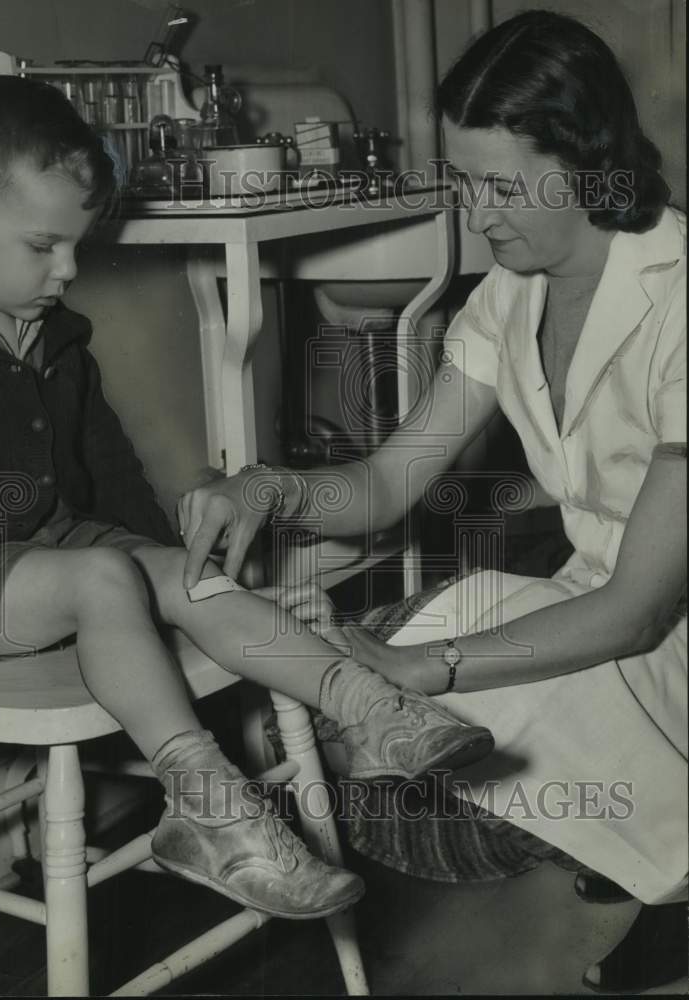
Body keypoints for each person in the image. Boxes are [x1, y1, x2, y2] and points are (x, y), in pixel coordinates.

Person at [0, 75, 496, 922]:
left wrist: (174, 575)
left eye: (76, 246)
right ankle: (206, 804)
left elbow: (105, 465)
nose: (67, 272)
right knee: (105, 576)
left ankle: (367, 706)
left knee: (176, 572)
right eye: (43, 246)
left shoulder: (52, 330)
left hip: (52, 550)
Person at [178, 10, 687, 991]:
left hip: (657, 620)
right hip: (600, 605)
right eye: (464, 181)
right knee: (361, 716)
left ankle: (656, 872)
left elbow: (637, 610)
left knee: (413, 700)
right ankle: (642, 876)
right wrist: (269, 485)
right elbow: (383, 484)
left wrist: (426, 665)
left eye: (501, 185)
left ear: (588, 165)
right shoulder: (511, 294)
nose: (477, 213)